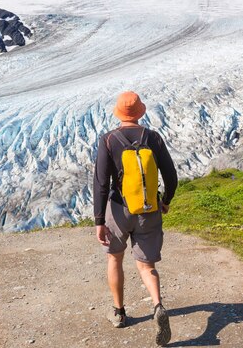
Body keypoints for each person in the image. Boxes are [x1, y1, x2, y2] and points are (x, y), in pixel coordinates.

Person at [93, 91, 178, 346]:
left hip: (119, 210)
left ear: (118, 114)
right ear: (140, 112)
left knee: (114, 259)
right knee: (146, 265)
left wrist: (99, 220)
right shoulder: (153, 137)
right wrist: (165, 201)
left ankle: (119, 313)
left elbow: (100, 184)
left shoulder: (108, 140)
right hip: (149, 209)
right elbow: (171, 176)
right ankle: (157, 305)